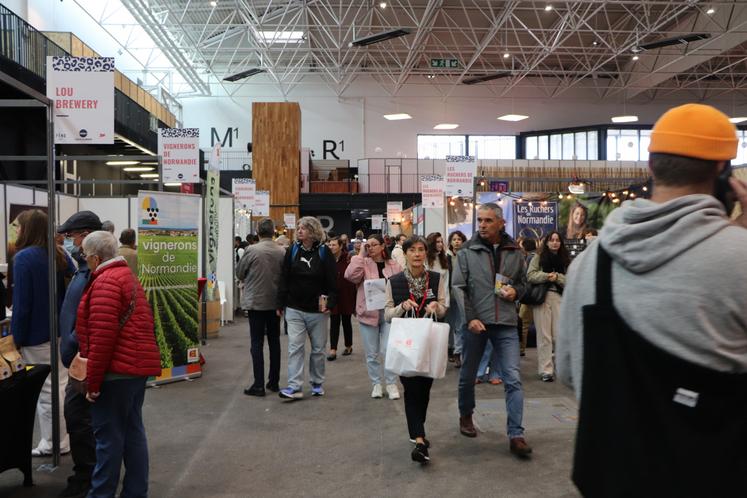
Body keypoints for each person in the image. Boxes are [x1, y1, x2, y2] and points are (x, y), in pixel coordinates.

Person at [557, 103, 747, 496]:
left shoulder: (590, 264)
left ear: (650, 166)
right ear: (723, 172)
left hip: (611, 476)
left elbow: (571, 374)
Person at [75, 231, 161, 498]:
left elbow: (102, 338)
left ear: (96, 257)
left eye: (85, 256)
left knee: (108, 440)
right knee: (133, 433)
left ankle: (101, 494)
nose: (85, 261)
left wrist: (93, 383)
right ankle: (136, 492)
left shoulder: (105, 283)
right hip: (136, 370)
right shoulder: (127, 278)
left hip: (115, 373)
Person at [453, 203, 532, 458]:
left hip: (507, 324)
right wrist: (471, 319)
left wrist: (516, 291)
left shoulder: (514, 251)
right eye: (480, 221)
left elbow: (524, 282)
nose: (483, 225)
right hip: (477, 325)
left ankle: (516, 434)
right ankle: (466, 415)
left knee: (513, 378)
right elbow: (459, 287)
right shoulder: (467, 251)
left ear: (501, 223)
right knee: (467, 376)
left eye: (488, 220)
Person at [11, 209, 75, 457]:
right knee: (60, 385)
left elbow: (22, 305)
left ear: (27, 229)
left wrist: (15, 338)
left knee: (46, 392)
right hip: (59, 331)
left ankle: (53, 442)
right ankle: (63, 439)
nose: (16, 230)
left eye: (18, 226)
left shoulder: (24, 258)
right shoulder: (58, 254)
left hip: (36, 335)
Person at [384, 236, 447, 463]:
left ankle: (417, 429)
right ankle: (419, 441)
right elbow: (387, 314)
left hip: (429, 342)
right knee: (411, 390)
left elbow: (443, 309)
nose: (418, 254)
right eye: (413, 250)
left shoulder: (437, 278)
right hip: (406, 344)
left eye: (421, 250)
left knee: (424, 390)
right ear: (406, 253)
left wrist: (436, 306)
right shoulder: (394, 281)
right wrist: (402, 307)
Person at [58, 210, 103, 498]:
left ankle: (85, 478)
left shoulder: (94, 273)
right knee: (81, 418)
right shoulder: (83, 269)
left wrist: (74, 343)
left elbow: (93, 319)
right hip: (79, 358)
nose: (69, 242)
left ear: (85, 236)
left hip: (84, 360)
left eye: (72, 236)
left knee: (78, 417)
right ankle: (89, 474)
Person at [276, 216, 337, 400]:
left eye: (304, 228)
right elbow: (284, 277)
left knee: (318, 349)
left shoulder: (324, 252)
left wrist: (331, 303)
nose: (299, 230)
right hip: (294, 308)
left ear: (313, 231)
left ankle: (317, 382)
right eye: (299, 227)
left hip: (318, 310)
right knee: (295, 347)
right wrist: (280, 303)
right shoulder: (292, 250)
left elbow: (333, 281)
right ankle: (294, 387)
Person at [344, 235, 402, 399]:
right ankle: (376, 384)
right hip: (368, 313)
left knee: (388, 349)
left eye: (374, 245)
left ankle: (391, 383)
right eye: (367, 245)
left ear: (383, 246)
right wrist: (360, 255)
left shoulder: (393, 265)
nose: (370, 248)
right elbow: (350, 276)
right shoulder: (362, 262)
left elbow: (400, 285)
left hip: (389, 312)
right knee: (372, 353)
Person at [238, 219, 286, 396]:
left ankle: (258, 384)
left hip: (256, 303)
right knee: (275, 341)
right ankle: (273, 382)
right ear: (273, 232)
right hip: (275, 303)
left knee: (256, 342)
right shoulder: (281, 251)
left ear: (257, 232)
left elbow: (240, 272)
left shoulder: (251, 250)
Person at [527, 231, 569, 382]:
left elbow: (570, 279)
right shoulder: (538, 257)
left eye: (557, 240)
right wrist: (546, 276)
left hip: (559, 298)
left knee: (559, 336)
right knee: (544, 336)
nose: (555, 242)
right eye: (552, 240)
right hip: (542, 297)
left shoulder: (565, 260)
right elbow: (530, 275)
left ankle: (561, 367)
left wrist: (557, 277)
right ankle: (546, 370)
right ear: (546, 242)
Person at [326, 236, 355, 360]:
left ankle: (348, 345)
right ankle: (333, 349)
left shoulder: (348, 258)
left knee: (346, 322)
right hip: (332, 295)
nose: (331, 247)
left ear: (341, 246)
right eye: (330, 245)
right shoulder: (327, 259)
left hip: (346, 294)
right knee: (334, 322)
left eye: (334, 245)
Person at [446, 230, 467, 367]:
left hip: (460, 295)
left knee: (460, 325)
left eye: (459, 239)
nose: (457, 241)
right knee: (448, 325)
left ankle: (458, 352)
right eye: (454, 239)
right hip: (447, 295)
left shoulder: (466, 256)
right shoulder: (445, 257)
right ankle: (449, 349)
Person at [518, 238, 537, 356]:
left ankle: (521, 349)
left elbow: (526, 277)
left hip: (529, 296)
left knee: (523, 323)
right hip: (537, 295)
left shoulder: (529, 258)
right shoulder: (538, 256)